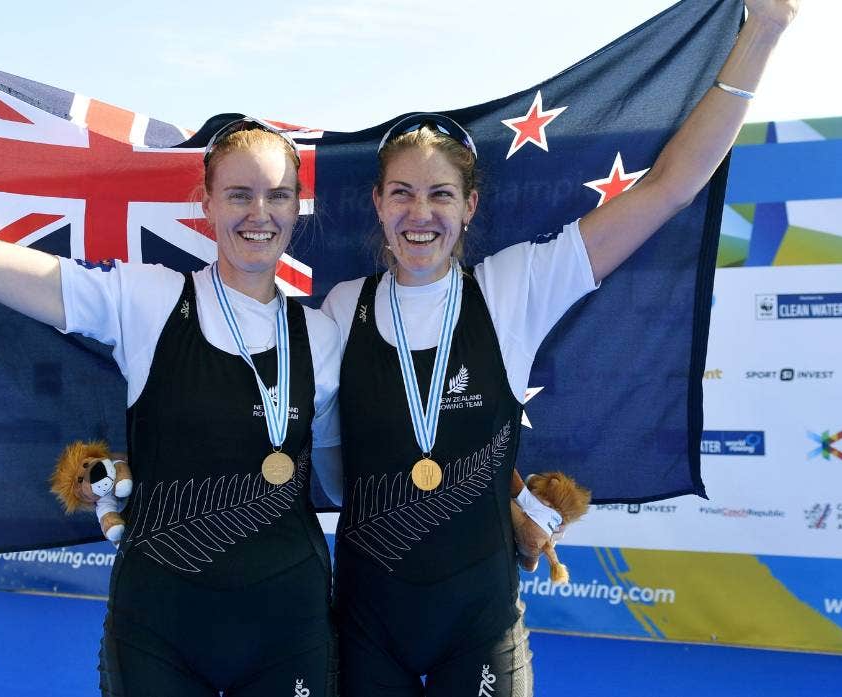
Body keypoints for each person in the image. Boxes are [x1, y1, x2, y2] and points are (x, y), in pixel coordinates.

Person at [0, 4, 343, 694]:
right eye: (237, 193)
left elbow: (352, 474)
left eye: (276, 195)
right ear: (204, 204)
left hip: (287, 625)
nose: (258, 212)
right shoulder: (145, 300)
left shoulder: (325, 334)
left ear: (298, 205)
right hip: (161, 628)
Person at [320, 2, 798, 694]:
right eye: (402, 192)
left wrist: (764, 32)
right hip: (366, 622)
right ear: (377, 202)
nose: (420, 212)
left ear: (470, 207)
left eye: (440, 194)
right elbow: (330, 466)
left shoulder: (516, 286)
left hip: (478, 623)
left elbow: (670, 188)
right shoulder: (343, 307)